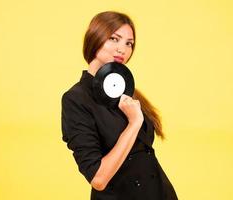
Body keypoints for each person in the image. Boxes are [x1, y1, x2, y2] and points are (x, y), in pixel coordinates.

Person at [61, 11, 178, 200]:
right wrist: (134, 123)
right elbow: (98, 179)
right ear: (95, 38)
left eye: (128, 43)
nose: (122, 49)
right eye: (114, 39)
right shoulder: (76, 99)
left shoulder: (127, 90)